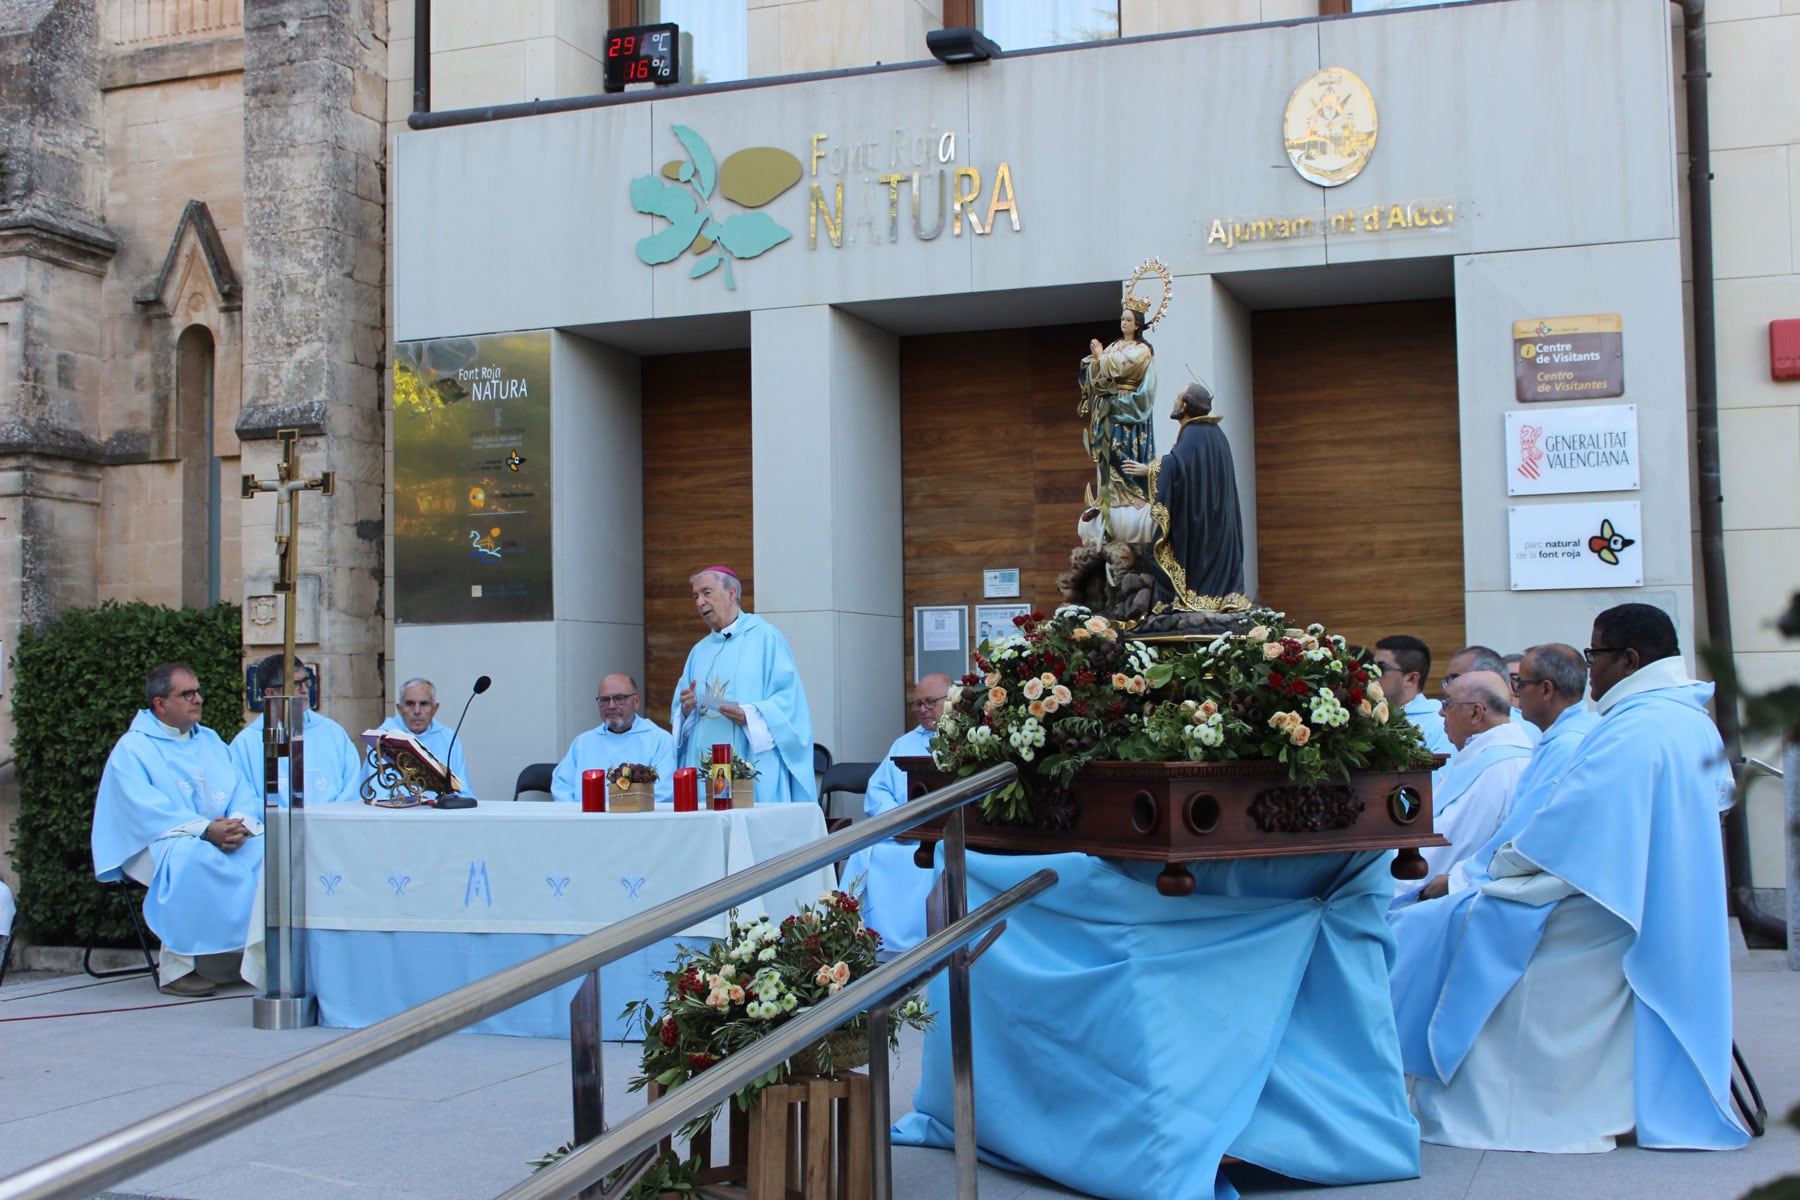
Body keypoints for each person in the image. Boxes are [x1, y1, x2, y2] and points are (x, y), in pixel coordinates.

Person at [1398, 604, 1748, 1152]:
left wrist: (1492, 871)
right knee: (1457, 914)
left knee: (1461, 922)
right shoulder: (1689, 720)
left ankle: (1483, 1096)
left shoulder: (1637, 729)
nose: (1591, 671)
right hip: (1660, 900)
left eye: (1596, 655)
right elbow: (1716, 800)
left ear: (1629, 659)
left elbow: (1565, 826)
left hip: (1601, 911)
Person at [91, 663, 265, 996]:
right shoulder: (134, 748)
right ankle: (176, 970)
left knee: (264, 849)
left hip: (216, 835)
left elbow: (240, 786)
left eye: (197, 691)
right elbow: (143, 808)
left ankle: (251, 959)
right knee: (190, 856)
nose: (197, 699)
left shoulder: (210, 740)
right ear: (160, 703)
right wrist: (204, 830)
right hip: (153, 841)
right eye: (187, 694)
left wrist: (237, 823)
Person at [672, 567, 816, 805]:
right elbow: (681, 708)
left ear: (731, 594)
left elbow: (789, 701)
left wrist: (750, 714)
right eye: (695, 596)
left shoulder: (766, 638)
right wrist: (685, 709)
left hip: (754, 762)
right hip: (703, 769)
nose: (700, 602)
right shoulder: (699, 651)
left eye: (706, 593)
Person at [1394, 670, 1533, 903]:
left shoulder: (1497, 767)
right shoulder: (1492, 755)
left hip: (1462, 896)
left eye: (1447, 704)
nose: (1440, 712)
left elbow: (1452, 844)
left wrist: (1379, 882)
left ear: (1476, 713)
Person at [842, 674, 951, 955]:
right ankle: (871, 941)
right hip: (901, 831)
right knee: (864, 852)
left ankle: (923, 941)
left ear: (950, 701)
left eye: (930, 702)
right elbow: (877, 789)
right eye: (917, 705)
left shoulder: (964, 739)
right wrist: (901, 820)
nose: (923, 710)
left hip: (939, 837)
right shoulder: (903, 744)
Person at [1122, 382, 1248, 613]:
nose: (1174, 402)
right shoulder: (1215, 434)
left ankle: (1183, 600)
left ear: (1186, 406)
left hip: (1202, 521)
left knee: (1156, 554)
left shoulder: (1194, 433)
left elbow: (1179, 467)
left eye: (1177, 399)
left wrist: (1148, 470)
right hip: (1215, 516)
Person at [228, 654, 364, 806]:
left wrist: (327, 820)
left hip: (331, 826)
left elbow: (352, 785)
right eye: (296, 684)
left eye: (306, 682)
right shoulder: (247, 743)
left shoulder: (332, 732)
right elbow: (244, 798)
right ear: (271, 693)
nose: (305, 690)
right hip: (277, 827)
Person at [1078, 300, 1157, 516]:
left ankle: (1133, 496)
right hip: (1109, 403)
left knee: (1121, 447)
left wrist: (1100, 358)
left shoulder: (1142, 350)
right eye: (1122, 319)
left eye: (1128, 320)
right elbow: (1102, 371)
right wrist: (1094, 363)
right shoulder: (1114, 345)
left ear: (1138, 324)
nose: (1124, 323)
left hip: (1128, 404)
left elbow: (1122, 364)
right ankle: (1108, 498)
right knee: (1106, 449)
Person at [553, 673, 677, 805]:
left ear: (636, 702)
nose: (611, 705)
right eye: (604, 700)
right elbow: (562, 786)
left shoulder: (660, 741)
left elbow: (663, 791)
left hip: (637, 821)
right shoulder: (583, 743)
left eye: (619, 698)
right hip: (587, 821)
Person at [363, 677, 474, 802]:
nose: (417, 711)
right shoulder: (382, 739)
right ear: (399, 708)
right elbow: (380, 793)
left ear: (435, 709)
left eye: (424, 704)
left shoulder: (448, 738)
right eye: (410, 704)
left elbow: (463, 790)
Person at [1372, 635, 1453, 756]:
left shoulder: (1439, 724)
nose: (1372, 674)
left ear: (1411, 679)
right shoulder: (1367, 716)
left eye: (1381, 668)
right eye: (1371, 666)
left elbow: (1440, 773)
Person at [1444, 643, 1539, 744]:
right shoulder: (1448, 726)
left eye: (1455, 678)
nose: (1448, 687)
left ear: (1487, 677)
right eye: (1447, 680)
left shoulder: (1527, 732)